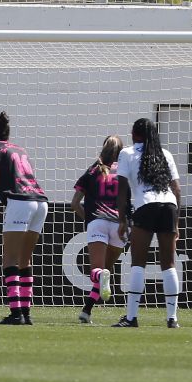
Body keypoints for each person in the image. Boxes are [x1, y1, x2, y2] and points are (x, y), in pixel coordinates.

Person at [112, 118, 181, 328]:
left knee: (138, 263)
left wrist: (122, 219)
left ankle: (132, 317)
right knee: (168, 263)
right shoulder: (165, 153)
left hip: (146, 206)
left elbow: (121, 188)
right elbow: (177, 190)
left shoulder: (127, 153)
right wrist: (176, 222)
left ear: (134, 134)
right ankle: (172, 318)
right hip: (168, 206)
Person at [0, 111, 48, 325]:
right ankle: (26, 314)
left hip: (19, 201)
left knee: (10, 259)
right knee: (25, 259)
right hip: (40, 201)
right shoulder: (19, 149)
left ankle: (15, 313)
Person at [70, 135, 125, 324]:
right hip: (120, 225)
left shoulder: (93, 170)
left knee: (98, 272)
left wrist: (91, 220)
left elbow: (75, 203)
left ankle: (99, 280)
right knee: (105, 272)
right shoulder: (125, 171)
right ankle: (86, 312)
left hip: (98, 222)